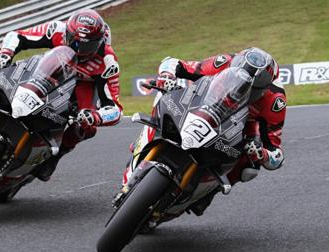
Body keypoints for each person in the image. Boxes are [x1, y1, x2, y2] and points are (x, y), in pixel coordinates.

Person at [121, 47, 286, 216]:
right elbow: (174, 63)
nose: (242, 89)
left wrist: (262, 154)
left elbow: (277, 155)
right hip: (204, 104)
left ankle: (206, 194)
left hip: (241, 125)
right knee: (165, 96)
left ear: (264, 88)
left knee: (250, 168)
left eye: (252, 89)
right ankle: (145, 143)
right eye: (237, 77)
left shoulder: (275, 101)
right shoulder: (224, 61)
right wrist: (167, 76)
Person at [0, 9, 122, 181]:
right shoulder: (56, 29)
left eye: (87, 45)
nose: (79, 49)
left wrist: (95, 116)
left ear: (100, 43)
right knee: (8, 74)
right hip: (53, 68)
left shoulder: (108, 61)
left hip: (83, 86)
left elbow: (115, 109)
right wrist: (5, 53)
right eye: (74, 41)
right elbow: (17, 35)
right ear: (67, 31)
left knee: (87, 127)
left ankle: (55, 157)